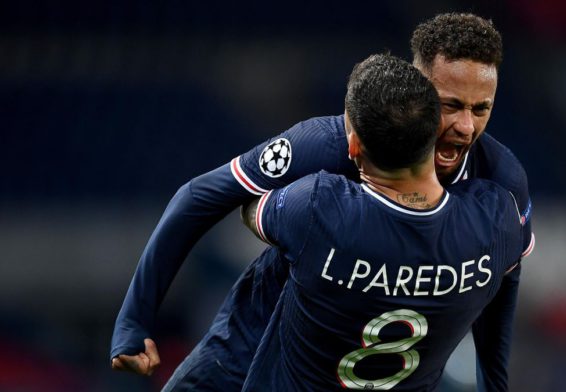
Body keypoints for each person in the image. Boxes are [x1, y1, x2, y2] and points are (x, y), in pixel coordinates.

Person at [111, 12, 534, 391]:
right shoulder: (331, 144)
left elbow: (505, 278)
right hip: (250, 352)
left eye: (482, 109)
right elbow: (200, 196)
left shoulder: (499, 182)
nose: (465, 126)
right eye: (450, 105)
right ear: (416, 90)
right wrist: (133, 320)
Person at [239, 53, 524, 391]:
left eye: (479, 108)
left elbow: (251, 209)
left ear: (355, 144)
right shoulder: (496, 218)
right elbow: (507, 275)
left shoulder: (318, 206)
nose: (464, 125)